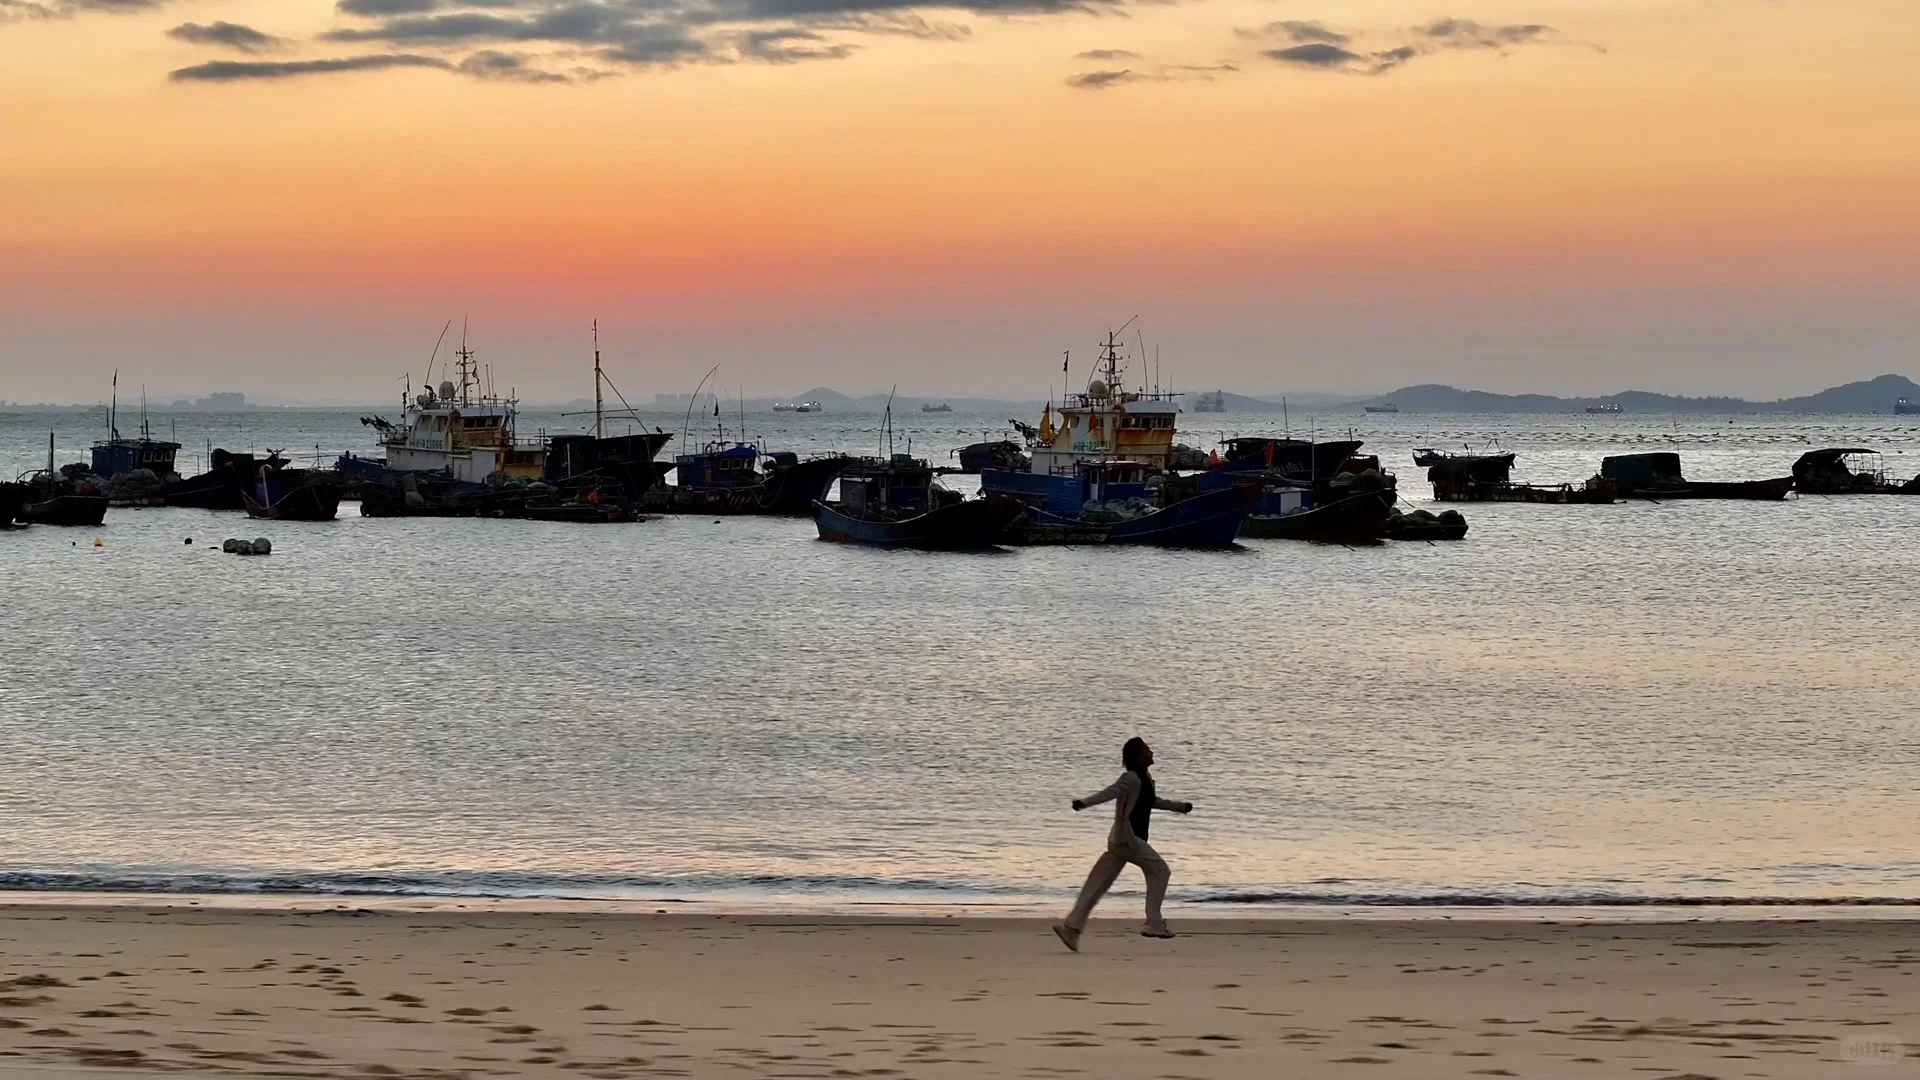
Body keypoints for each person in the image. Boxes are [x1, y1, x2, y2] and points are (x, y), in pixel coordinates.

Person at [1052, 737, 1193, 952]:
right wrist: (1085, 803)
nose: (1151, 752)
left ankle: (1071, 928)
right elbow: (1110, 792)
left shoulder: (1145, 778)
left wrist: (1179, 807)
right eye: (1147, 750)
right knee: (1160, 871)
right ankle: (1153, 923)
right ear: (1138, 757)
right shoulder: (1130, 778)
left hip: (1120, 842)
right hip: (1128, 840)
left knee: (1096, 883)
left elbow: (1151, 801)